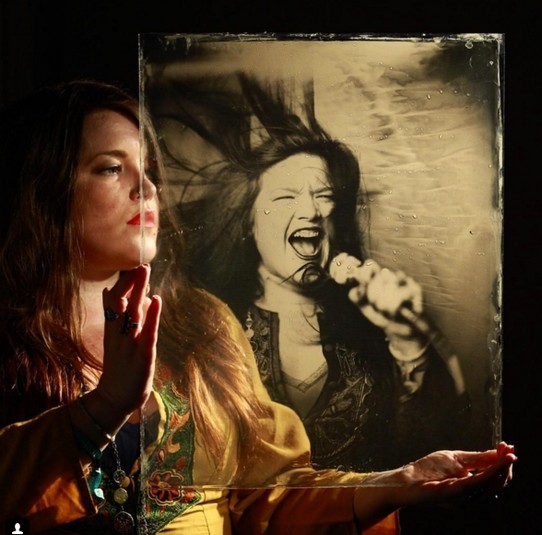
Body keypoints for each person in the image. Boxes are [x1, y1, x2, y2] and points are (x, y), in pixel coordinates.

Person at [0, 79, 515, 535]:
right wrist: (104, 408)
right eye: (111, 168)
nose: (148, 188)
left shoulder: (200, 324)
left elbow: (262, 496)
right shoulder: (9, 340)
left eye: (150, 170)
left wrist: (396, 483)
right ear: (41, 190)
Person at [145, 73, 471, 472]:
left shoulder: (372, 330)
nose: (310, 211)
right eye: (286, 197)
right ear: (250, 222)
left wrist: (407, 337)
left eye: (324, 196)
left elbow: (429, 446)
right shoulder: (211, 329)